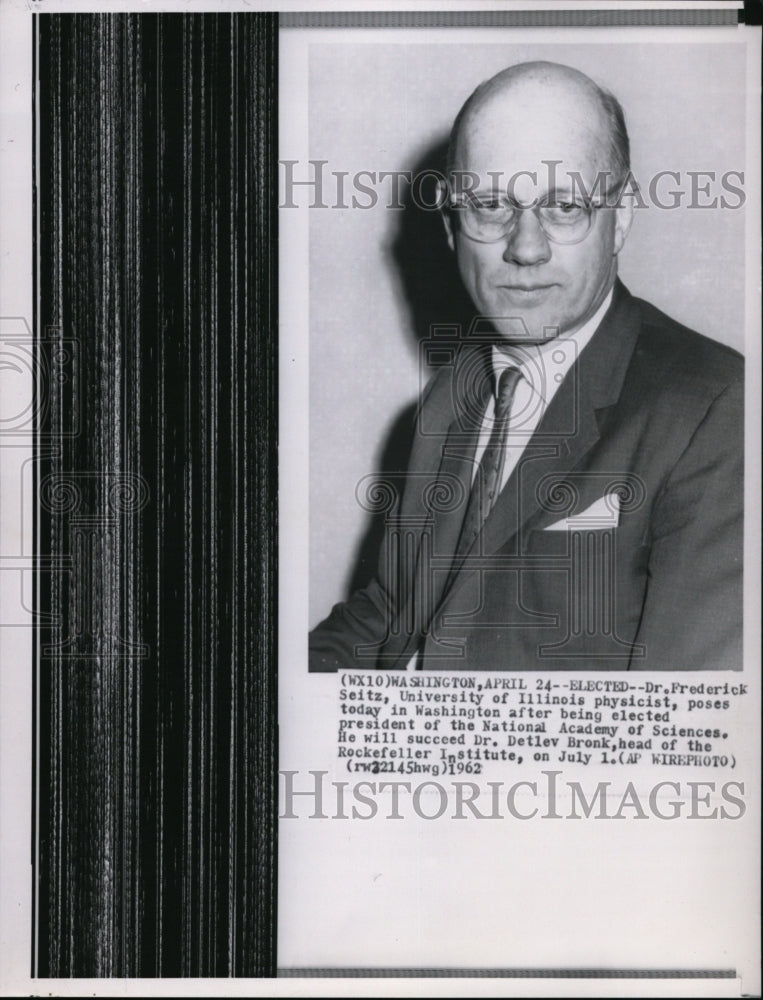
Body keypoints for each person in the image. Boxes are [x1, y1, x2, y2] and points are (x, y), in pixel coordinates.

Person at [309, 61, 743, 672]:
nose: (526, 246)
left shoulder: (718, 408)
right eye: (490, 205)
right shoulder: (449, 396)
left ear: (619, 218)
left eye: (564, 206)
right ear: (453, 229)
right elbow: (388, 616)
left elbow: (684, 717)